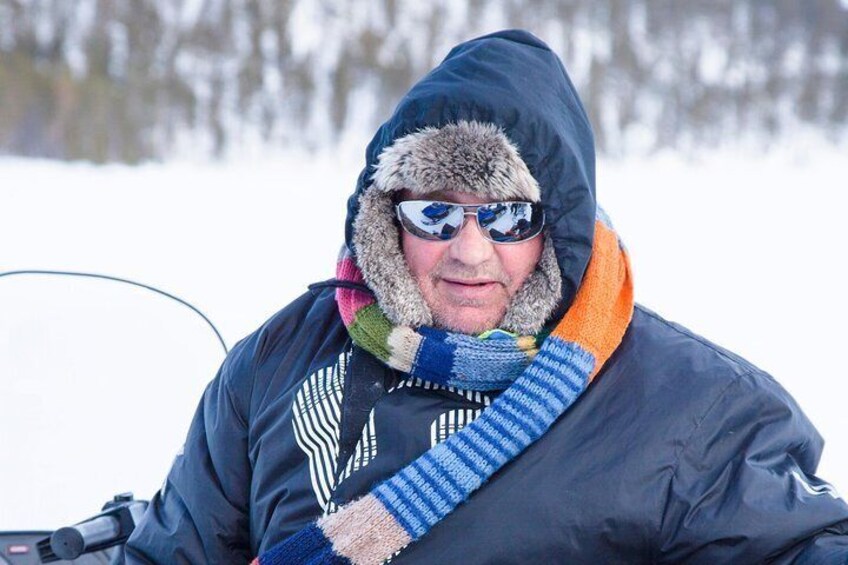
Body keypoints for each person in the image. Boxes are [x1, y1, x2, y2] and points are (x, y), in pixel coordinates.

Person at [124, 30, 848, 564]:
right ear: (388, 217)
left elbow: (805, 544)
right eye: (435, 213)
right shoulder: (277, 363)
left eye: (507, 217)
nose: (470, 251)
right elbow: (169, 551)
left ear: (554, 228)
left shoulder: (686, 404)